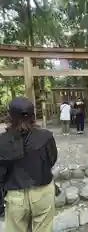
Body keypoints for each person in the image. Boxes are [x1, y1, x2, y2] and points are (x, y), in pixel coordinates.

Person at [0, 96, 58, 232]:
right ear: (33, 115)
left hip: (15, 196)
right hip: (42, 191)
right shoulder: (46, 136)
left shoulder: (2, 141)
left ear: (10, 116)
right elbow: (52, 160)